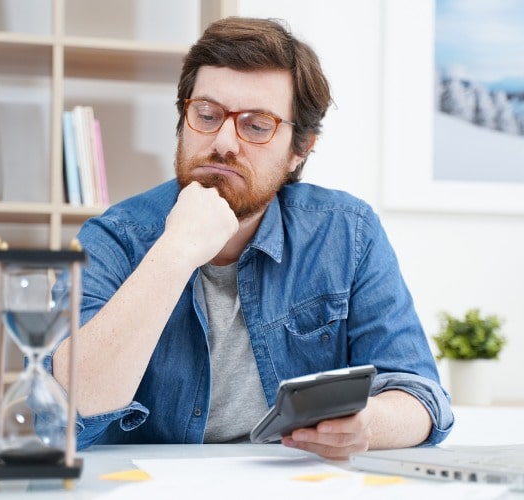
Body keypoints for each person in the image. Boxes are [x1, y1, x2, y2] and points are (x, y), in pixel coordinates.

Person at [48, 16, 453, 460]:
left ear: (300, 149)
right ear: (183, 119)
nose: (223, 142)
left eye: (257, 126)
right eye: (207, 114)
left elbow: (421, 396)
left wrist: (366, 425)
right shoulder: (114, 237)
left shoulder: (347, 231)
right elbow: (73, 404)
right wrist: (175, 251)